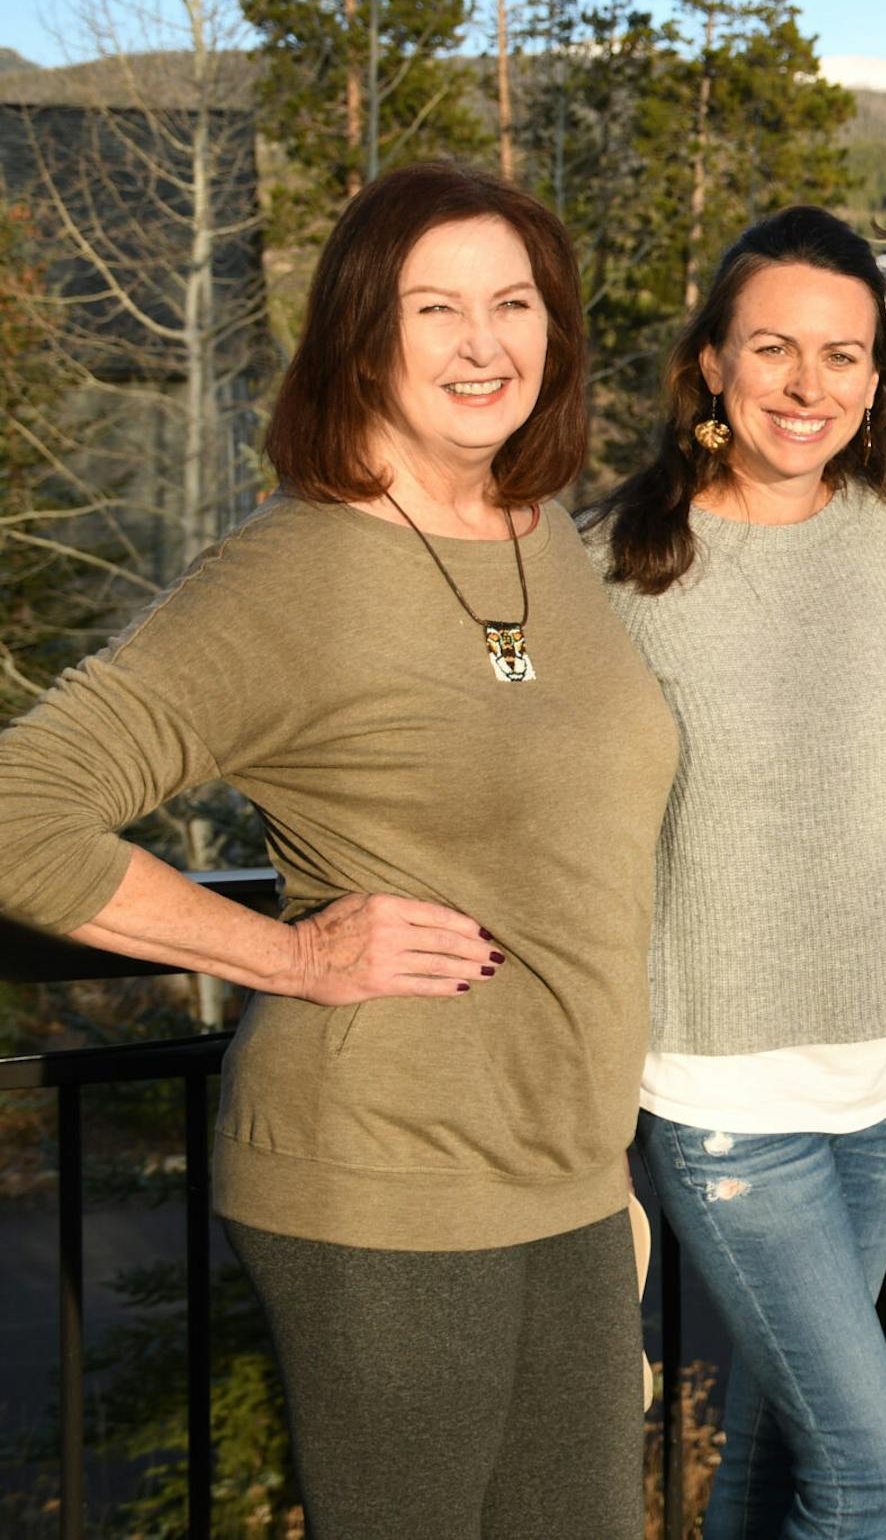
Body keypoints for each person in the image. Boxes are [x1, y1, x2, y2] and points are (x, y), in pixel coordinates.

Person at [0, 162, 678, 1535]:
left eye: (515, 303)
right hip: (386, 1181)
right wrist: (285, 953)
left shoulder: (547, 537)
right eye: (437, 309)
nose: (485, 345)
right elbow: (21, 807)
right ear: (361, 336)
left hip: (569, 1178)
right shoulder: (295, 571)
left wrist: (603, 1161)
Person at [586, 206, 886, 1537]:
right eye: (775, 350)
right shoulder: (613, 569)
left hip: (877, 1090)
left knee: (772, 1451)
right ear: (711, 365)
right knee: (875, 1477)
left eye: (844, 356)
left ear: (877, 378)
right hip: (720, 1093)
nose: (809, 386)